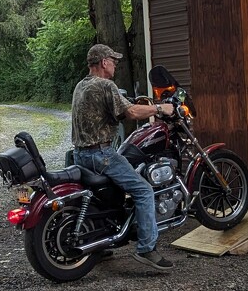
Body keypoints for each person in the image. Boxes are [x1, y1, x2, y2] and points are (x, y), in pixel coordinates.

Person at [71, 43, 176, 270]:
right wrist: (160, 109)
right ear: (103, 63)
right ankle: (147, 249)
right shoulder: (105, 85)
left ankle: (98, 243)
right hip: (101, 154)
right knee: (144, 190)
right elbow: (130, 113)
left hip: (80, 155)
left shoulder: (81, 85)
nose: (116, 64)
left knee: (102, 198)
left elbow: (115, 108)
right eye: (113, 60)